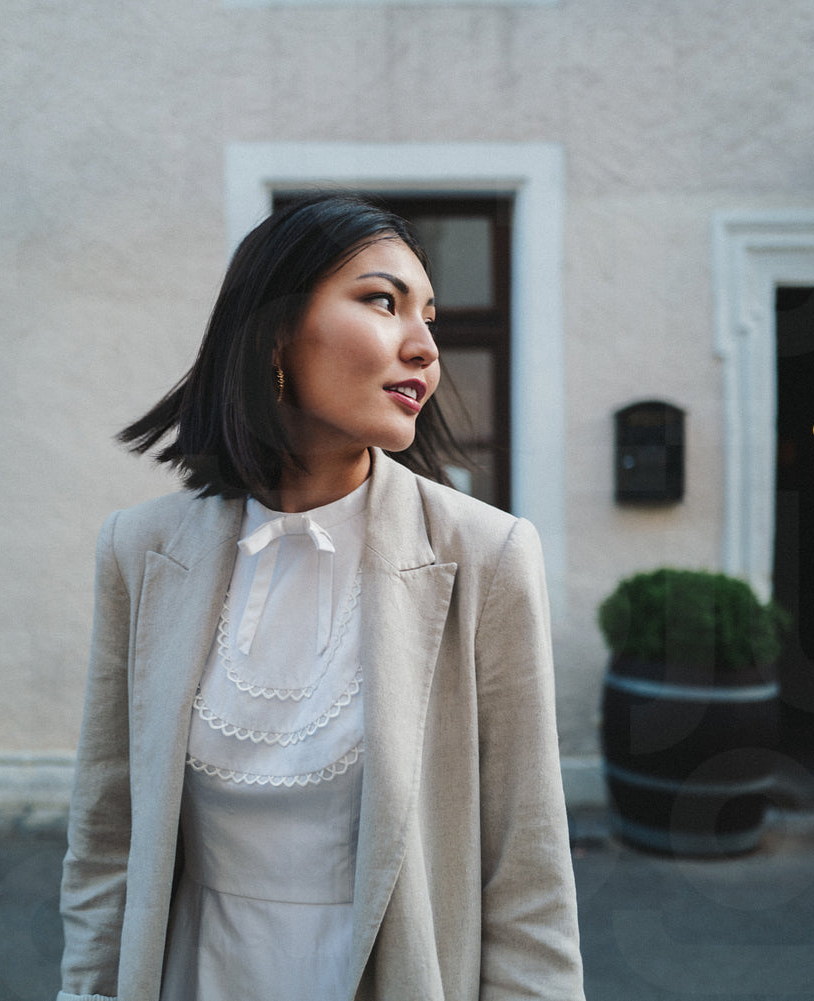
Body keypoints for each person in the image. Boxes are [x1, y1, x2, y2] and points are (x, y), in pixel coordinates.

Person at [57, 194, 584, 1001]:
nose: (425, 347)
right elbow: (106, 841)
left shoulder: (487, 556)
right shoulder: (141, 550)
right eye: (383, 301)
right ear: (273, 332)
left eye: (429, 318)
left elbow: (528, 882)